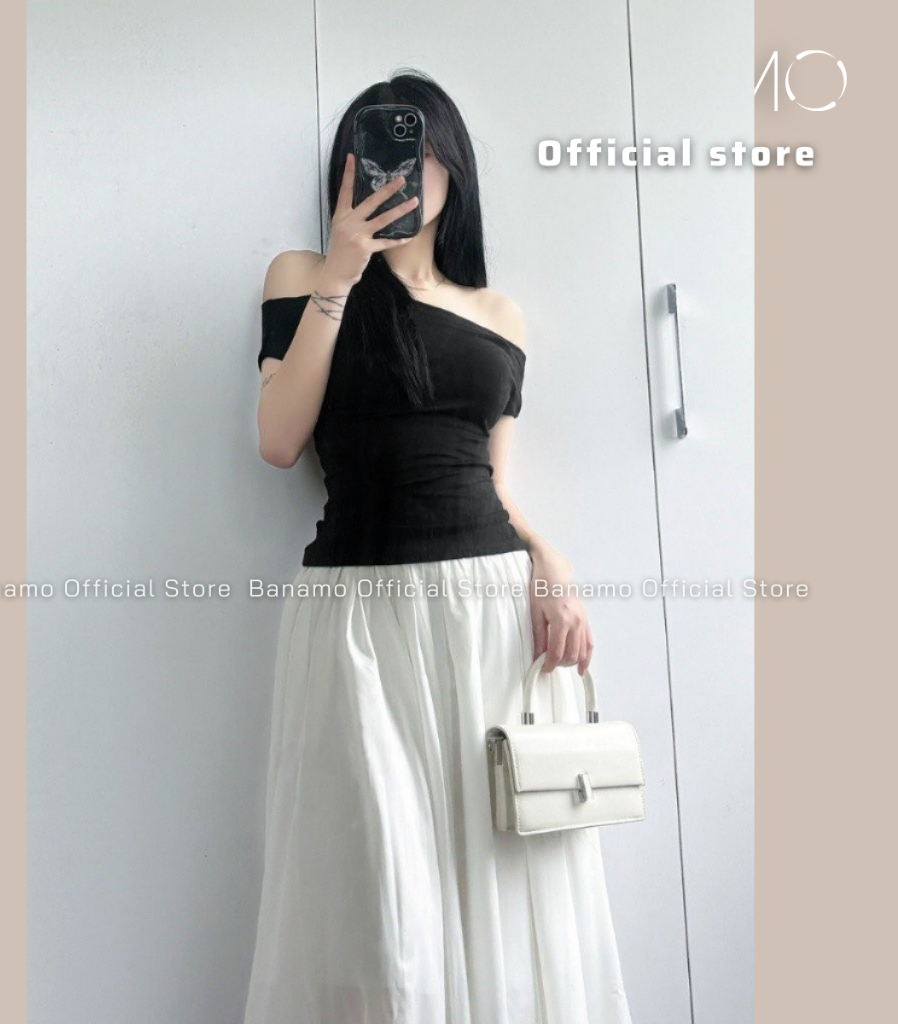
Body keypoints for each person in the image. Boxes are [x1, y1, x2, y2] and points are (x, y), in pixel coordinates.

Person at [244, 70, 632, 1024]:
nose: (400, 172)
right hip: (357, 617)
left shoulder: (497, 313)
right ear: (347, 170)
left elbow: (493, 484)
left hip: (490, 612)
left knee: (502, 871)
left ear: (453, 168)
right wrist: (341, 273)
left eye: (420, 153)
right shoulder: (301, 276)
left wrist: (550, 559)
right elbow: (279, 440)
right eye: (377, 152)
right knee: (374, 893)